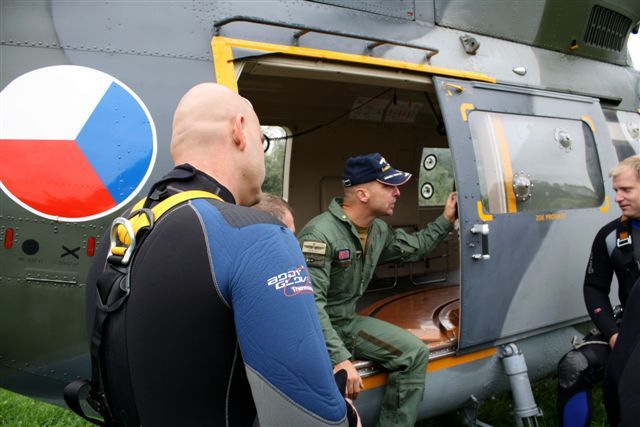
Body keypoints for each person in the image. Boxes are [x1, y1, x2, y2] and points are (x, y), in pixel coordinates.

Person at [85, 83, 357, 426]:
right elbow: (311, 419)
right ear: (239, 130)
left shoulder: (121, 235)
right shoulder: (257, 236)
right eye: (263, 140)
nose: (260, 150)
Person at [297, 152, 457, 427]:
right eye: (388, 186)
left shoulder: (377, 230)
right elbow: (310, 304)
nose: (396, 192)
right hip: (317, 328)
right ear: (362, 194)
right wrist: (341, 359)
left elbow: (414, 247)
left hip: (347, 322)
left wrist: (445, 219)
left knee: (414, 352)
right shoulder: (319, 235)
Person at [557, 155, 640, 427]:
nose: (617, 197)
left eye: (626, 190)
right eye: (616, 190)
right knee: (574, 366)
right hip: (627, 332)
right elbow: (594, 288)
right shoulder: (610, 236)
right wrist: (613, 334)